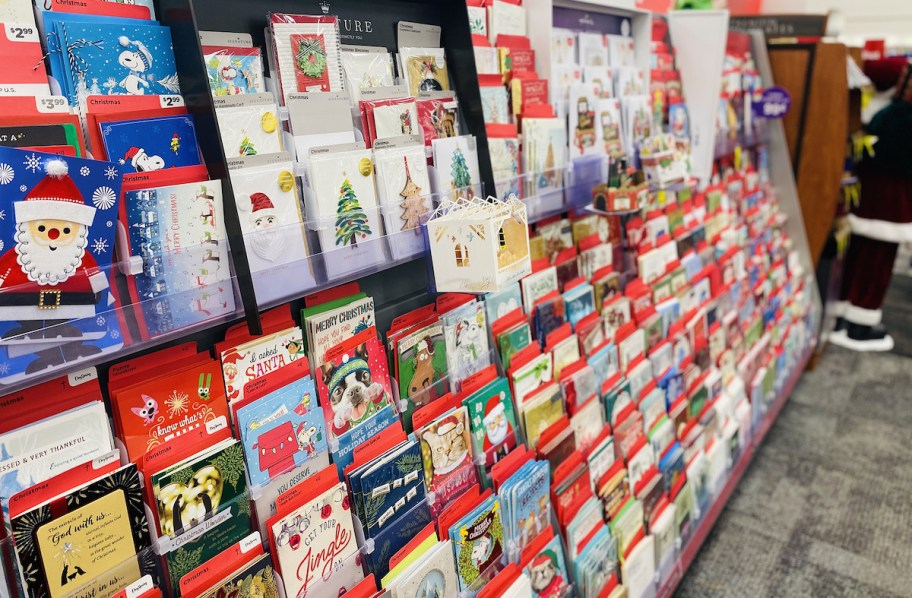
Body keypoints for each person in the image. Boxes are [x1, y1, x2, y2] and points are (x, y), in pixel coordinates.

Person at [832, 57, 912, 351]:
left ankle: (845, 314)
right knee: (876, 263)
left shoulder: (884, 113)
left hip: (872, 199)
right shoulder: (901, 117)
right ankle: (860, 323)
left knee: (861, 258)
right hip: (889, 204)